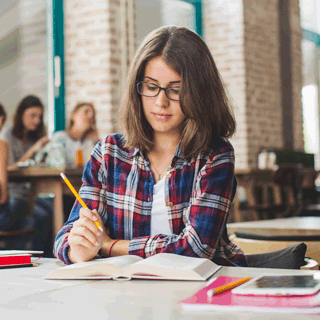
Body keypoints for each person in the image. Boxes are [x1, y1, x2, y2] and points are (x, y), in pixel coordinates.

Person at [54, 26, 247, 267]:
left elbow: (197, 248)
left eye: (176, 90)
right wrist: (78, 249)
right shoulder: (108, 153)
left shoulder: (215, 155)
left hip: (201, 291)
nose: (161, 102)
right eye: (151, 87)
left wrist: (109, 245)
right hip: (126, 291)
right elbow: (65, 237)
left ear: (200, 93)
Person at [0, 95, 53, 256]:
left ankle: (43, 255)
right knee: (37, 215)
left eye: (39, 116)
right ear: (21, 114)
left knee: (50, 211)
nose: (37, 120)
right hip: (13, 191)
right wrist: (33, 151)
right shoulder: (6, 138)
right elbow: (8, 169)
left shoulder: (34, 136)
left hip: (28, 191)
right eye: (32, 115)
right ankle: (38, 257)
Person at [48, 102, 99, 168]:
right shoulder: (60, 138)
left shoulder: (91, 142)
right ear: (73, 115)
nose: (90, 116)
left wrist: (97, 142)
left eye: (93, 114)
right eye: (86, 112)